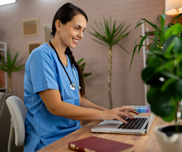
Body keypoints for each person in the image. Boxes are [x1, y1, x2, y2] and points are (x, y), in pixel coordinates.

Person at [23, 2, 138, 152]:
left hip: (73, 133)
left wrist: (111, 113)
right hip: (48, 141)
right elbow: (55, 106)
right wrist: (104, 114)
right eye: (77, 28)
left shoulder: (69, 61)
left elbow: (79, 100)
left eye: (83, 30)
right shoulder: (41, 56)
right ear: (59, 25)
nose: (81, 35)